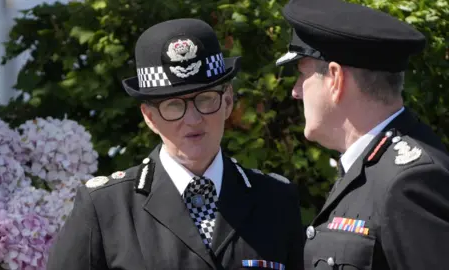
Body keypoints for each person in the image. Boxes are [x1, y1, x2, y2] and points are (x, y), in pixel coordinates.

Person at [47, 18, 304, 270]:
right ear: (150, 117)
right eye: (174, 105)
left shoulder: (275, 201)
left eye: (205, 99)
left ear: (227, 102)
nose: (193, 119)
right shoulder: (106, 207)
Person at [274, 0, 449, 269]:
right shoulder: (371, 168)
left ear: (335, 79)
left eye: (302, 74)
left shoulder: (409, 182)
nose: (295, 91)